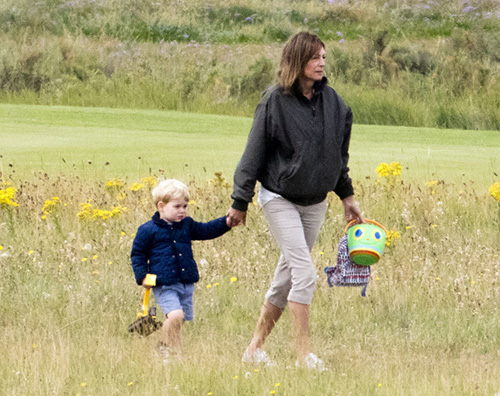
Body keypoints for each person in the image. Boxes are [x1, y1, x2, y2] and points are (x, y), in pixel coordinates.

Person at [226, 32, 364, 370]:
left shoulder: (336, 104)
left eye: (324, 58)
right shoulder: (274, 102)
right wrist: (240, 201)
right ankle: (304, 356)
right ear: (297, 60)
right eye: (315, 57)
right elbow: (252, 154)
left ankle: (254, 349)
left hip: (315, 202)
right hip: (279, 198)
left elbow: (337, 157)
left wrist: (347, 196)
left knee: (287, 277)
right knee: (305, 275)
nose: (321, 63)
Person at [131, 179, 231, 363]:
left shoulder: (187, 225)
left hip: (186, 282)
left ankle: (172, 353)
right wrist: (142, 276)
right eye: (177, 206)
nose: (183, 210)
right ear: (161, 206)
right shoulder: (147, 230)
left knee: (178, 321)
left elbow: (206, 230)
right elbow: (137, 254)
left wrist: (226, 222)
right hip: (164, 284)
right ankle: (164, 351)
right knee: (176, 316)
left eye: (185, 206)